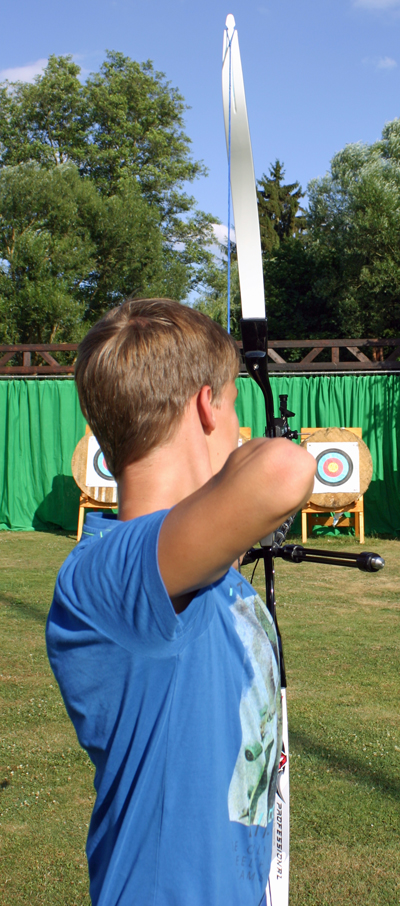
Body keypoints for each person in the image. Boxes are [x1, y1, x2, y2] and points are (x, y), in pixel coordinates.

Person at [46, 298, 315, 906]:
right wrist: (251, 455)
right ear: (205, 404)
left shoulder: (192, 573)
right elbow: (282, 469)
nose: (242, 428)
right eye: (236, 405)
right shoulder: (104, 577)